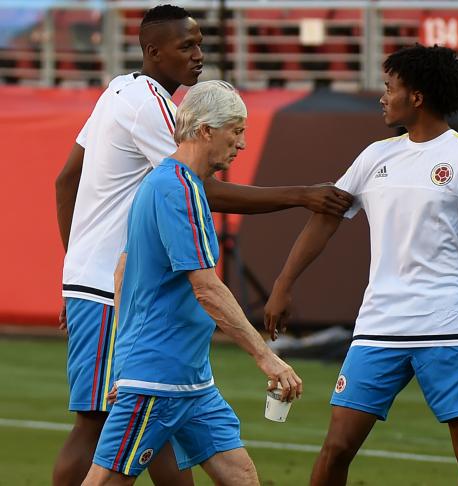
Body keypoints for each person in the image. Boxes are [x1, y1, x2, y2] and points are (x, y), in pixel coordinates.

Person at [53, 5, 351, 486]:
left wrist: (73, 271)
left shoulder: (117, 90)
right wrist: (301, 195)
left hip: (110, 284)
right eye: (186, 46)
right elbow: (197, 187)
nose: (199, 55)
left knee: (157, 433)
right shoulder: (154, 113)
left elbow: (66, 180)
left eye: (200, 44)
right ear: (153, 51)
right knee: (98, 426)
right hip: (120, 296)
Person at [264, 44, 458, 486]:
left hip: (451, 325)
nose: (383, 97)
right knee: (337, 448)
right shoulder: (374, 157)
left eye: (390, 87)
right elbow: (326, 218)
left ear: (417, 97)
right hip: (379, 326)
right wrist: (283, 283)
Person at [81, 80, 302, 486]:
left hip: (191, 378)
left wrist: (121, 365)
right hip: (158, 377)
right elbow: (206, 287)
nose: (242, 144)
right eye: (235, 131)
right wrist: (266, 357)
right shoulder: (178, 188)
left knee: (242, 476)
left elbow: (123, 271)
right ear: (205, 131)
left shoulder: (167, 184)